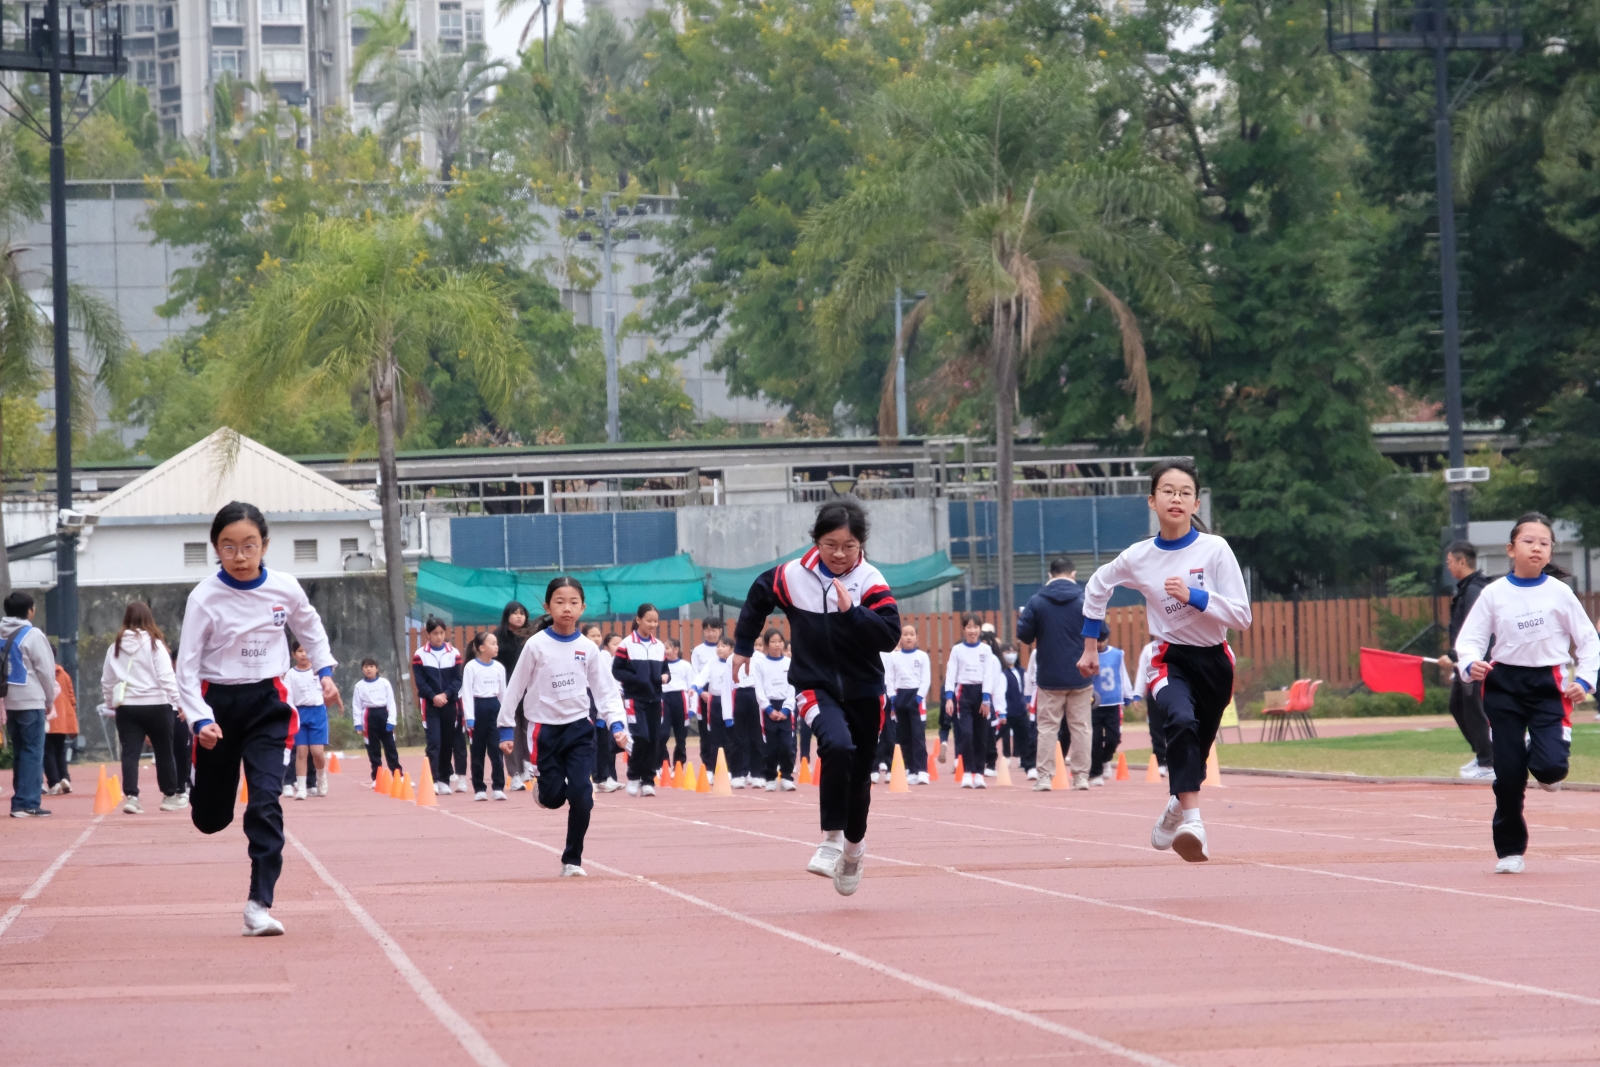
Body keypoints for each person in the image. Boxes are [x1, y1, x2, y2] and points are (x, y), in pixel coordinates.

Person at [177, 501, 341, 936]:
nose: (240, 556)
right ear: (216, 549)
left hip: (269, 704)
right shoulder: (204, 598)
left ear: (264, 545)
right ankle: (203, 781)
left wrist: (325, 672)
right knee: (211, 819)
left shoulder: (285, 588)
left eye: (249, 546)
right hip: (218, 706)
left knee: (265, 802)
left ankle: (258, 904)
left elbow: (310, 628)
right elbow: (186, 669)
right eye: (229, 547)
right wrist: (199, 721)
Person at [1078, 459, 1251, 863]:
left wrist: (1195, 597)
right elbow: (1097, 586)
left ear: (1196, 504)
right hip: (1168, 658)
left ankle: (1175, 807)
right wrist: (1088, 647)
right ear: (1152, 501)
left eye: (1185, 492)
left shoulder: (1215, 549)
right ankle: (1194, 824)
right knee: (1181, 721)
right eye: (1168, 491)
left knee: (1197, 751)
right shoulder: (1138, 557)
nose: (1176, 498)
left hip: (1215, 662)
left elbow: (1242, 616)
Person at [732, 499, 901, 896]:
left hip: (865, 691)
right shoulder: (792, 575)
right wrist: (742, 645)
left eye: (849, 546)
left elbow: (890, 636)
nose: (839, 554)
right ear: (816, 541)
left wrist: (853, 611)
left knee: (859, 778)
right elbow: (758, 596)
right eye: (831, 545)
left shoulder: (870, 580)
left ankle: (854, 851)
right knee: (836, 745)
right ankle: (831, 839)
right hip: (813, 685)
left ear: (861, 545)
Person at [1454, 512, 1598, 874]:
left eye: (1544, 543)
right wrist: (1470, 663)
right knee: (1508, 774)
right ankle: (1510, 851)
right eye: (1528, 541)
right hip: (1504, 686)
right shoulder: (1494, 594)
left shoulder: (1560, 593)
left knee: (1551, 769)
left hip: (1549, 686)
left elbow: (1589, 642)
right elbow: (1470, 640)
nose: (1536, 548)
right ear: (1510, 549)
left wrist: (1584, 681)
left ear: (1551, 552)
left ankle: (1541, 757)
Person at [499, 577, 632, 877]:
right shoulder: (536, 645)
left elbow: (605, 690)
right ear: (548, 607)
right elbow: (515, 687)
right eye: (560, 602)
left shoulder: (587, 648)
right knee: (554, 797)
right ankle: (544, 790)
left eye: (573, 602)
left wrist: (617, 724)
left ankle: (572, 860)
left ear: (582, 608)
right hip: (543, 731)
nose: (567, 608)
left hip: (578, 729)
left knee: (583, 795)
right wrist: (505, 728)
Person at [1017, 557, 1093, 791]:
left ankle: (1044, 777)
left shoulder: (1037, 601)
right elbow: (1101, 631)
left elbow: (1024, 635)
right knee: (1081, 726)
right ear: (1073, 574)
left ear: (1050, 575)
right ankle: (1081, 776)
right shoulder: (1084, 599)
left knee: (1048, 727)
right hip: (1080, 673)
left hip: (1049, 675)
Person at [101, 602, 183, 814]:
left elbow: (107, 680)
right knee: (164, 750)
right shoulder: (155, 644)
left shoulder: (115, 647)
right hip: (157, 704)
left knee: (130, 752)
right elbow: (166, 677)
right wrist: (180, 702)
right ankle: (169, 796)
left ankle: (132, 797)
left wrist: (111, 703)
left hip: (127, 706)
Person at [1438, 541, 1496, 780]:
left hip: (1476, 662)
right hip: (1465, 662)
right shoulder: (1466, 588)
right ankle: (1484, 753)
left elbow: (1474, 629)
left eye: (1450, 561)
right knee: (1458, 705)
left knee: (1473, 707)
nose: (1448, 566)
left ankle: (1488, 762)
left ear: (1462, 562)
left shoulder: (1474, 591)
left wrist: (1453, 656)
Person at [3, 590, 57, 818]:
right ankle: (27, 802)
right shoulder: (33, 635)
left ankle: (20, 800)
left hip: (9, 700)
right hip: (31, 698)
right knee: (33, 751)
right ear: (30, 611)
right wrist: (49, 699)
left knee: (20, 751)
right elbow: (46, 670)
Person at [613, 603, 669, 796]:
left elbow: (665, 670)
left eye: (655, 621)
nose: (652, 624)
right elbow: (617, 670)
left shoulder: (659, 646)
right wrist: (638, 679)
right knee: (641, 737)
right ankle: (634, 776)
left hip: (655, 699)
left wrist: (665, 677)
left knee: (654, 740)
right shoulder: (626, 644)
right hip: (634, 699)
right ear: (638, 620)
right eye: (649, 620)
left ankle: (648, 781)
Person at [413, 618, 466, 796]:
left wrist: (446, 695)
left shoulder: (453, 653)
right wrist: (433, 696)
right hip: (430, 705)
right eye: (435, 633)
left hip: (449, 704)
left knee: (447, 742)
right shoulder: (420, 655)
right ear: (427, 634)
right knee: (434, 742)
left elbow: (458, 679)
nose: (438, 636)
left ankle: (444, 780)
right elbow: (420, 682)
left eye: (441, 633)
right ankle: (433, 779)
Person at [943, 616, 997, 790]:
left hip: (981, 693)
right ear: (964, 629)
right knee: (966, 733)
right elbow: (951, 673)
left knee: (981, 735)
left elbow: (989, 674)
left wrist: (986, 698)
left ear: (980, 629)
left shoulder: (986, 650)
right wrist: (949, 697)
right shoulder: (957, 650)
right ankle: (967, 772)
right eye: (969, 627)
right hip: (964, 693)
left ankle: (979, 773)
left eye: (975, 627)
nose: (972, 631)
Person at [879, 623, 932, 784]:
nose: (908, 637)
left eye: (911, 634)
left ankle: (922, 770)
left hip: (916, 697)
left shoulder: (922, 656)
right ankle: (910, 769)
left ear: (916, 637)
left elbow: (925, 678)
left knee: (918, 735)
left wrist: (919, 697)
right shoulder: (895, 657)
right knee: (903, 735)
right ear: (900, 637)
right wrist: (893, 697)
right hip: (899, 696)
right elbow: (890, 678)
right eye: (905, 634)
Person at [284, 639, 336, 800]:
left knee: (317, 752)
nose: (303, 654)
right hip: (300, 713)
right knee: (301, 751)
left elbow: (329, 691)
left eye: (306, 651)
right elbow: (288, 697)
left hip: (317, 713)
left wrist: (332, 702)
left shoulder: (318, 671)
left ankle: (321, 778)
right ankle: (301, 787)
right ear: (294, 654)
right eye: (300, 651)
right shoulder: (291, 674)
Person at [462, 631, 509, 801]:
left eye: (496, 643)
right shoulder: (471, 667)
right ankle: (479, 788)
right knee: (478, 751)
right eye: (492, 643)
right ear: (481, 648)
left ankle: (498, 786)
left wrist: (505, 715)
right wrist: (469, 717)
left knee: (496, 750)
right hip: (478, 708)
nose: (496, 647)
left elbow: (503, 693)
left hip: (494, 708)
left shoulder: (499, 668)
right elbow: (467, 693)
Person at [495, 601, 535, 790]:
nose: (519, 617)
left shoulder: (531, 638)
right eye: (515, 613)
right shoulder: (498, 637)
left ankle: (528, 764)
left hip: (529, 690)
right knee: (511, 730)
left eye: (522, 613)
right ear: (507, 615)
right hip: (507, 691)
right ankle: (514, 773)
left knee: (528, 727)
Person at [1089, 627, 1136, 786]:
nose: (1100, 644)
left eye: (1102, 640)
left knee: (1113, 737)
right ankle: (1095, 773)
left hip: (1113, 702)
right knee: (1094, 739)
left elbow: (1122, 675)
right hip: (1093, 705)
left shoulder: (1117, 654)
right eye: (1097, 641)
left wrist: (1127, 695)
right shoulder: (1087, 655)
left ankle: (1105, 758)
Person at [752, 628, 797, 790]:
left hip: (786, 708)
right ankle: (770, 776)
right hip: (769, 709)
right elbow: (759, 690)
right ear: (766, 644)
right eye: (773, 642)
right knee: (770, 746)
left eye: (780, 641)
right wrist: (768, 709)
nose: (777, 645)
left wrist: (786, 709)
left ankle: (786, 776)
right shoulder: (760, 664)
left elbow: (793, 687)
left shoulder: (789, 663)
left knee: (786, 744)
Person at [693, 634, 736, 786]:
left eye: (723, 646)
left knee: (730, 737)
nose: (719, 648)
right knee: (714, 737)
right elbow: (701, 677)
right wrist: (696, 688)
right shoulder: (712, 663)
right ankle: (711, 769)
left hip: (731, 702)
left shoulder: (735, 664)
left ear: (731, 649)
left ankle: (730, 770)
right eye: (718, 646)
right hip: (715, 702)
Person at [354, 657, 401, 784]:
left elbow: (391, 702)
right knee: (373, 749)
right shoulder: (359, 686)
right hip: (369, 716)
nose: (368, 669)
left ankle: (398, 775)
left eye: (371, 666)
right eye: (366, 667)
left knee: (390, 748)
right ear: (362, 669)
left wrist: (391, 721)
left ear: (377, 669)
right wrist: (358, 724)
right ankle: (377, 777)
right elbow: (357, 705)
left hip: (384, 714)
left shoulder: (384, 683)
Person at [690, 616, 724, 774]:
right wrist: (701, 692)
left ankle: (727, 765)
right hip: (704, 693)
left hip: (723, 693)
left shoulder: (726, 648)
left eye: (714, 630)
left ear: (720, 631)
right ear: (703, 631)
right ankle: (708, 766)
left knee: (725, 729)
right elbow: (695, 673)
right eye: (707, 630)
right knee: (706, 730)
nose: (711, 633)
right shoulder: (698, 651)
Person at [592, 631, 624, 791]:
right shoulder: (585, 654)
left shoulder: (605, 656)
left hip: (604, 704)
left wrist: (618, 691)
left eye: (598, 635)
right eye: (592, 636)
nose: (596, 638)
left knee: (606, 742)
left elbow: (610, 679)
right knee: (593, 743)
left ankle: (606, 777)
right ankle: (594, 777)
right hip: (590, 702)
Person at [998, 643, 1033, 780]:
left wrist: (1027, 702)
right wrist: (1001, 711)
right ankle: (986, 762)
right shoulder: (1001, 673)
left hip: (1020, 711)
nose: (1011, 655)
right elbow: (999, 693)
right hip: (1005, 712)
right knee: (992, 736)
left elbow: (1027, 688)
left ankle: (1029, 766)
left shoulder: (1021, 671)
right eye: (1007, 652)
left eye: (1013, 652)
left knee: (1026, 738)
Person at [44, 657, 77, 796]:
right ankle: (65, 778)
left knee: (48, 751)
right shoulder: (64, 674)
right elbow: (71, 697)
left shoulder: (41, 673)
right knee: (60, 749)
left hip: (47, 717)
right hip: (63, 718)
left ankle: (54, 782)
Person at [729, 648, 762, 788]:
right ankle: (738, 774)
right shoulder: (732, 658)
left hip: (756, 695)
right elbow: (727, 685)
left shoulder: (760, 658)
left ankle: (757, 774)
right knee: (739, 738)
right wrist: (727, 714)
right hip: (738, 695)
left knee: (757, 737)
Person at [1134, 638, 1167, 776]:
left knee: (1176, 725)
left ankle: (1177, 759)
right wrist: (1137, 695)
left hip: (1173, 690)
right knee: (1156, 728)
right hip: (1153, 692)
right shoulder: (1148, 649)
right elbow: (1142, 672)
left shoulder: (1178, 644)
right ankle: (1160, 761)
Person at [659, 638, 691, 771]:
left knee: (681, 735)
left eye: (667, 648)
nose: (664, 651)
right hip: (663, 698)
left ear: (676, 649)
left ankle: (679, 764)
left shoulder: (685, 665)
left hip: (680, 698)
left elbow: (691, 686)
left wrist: (692, 707)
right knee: (662, 734)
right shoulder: (660, 665)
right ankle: (664, 763)